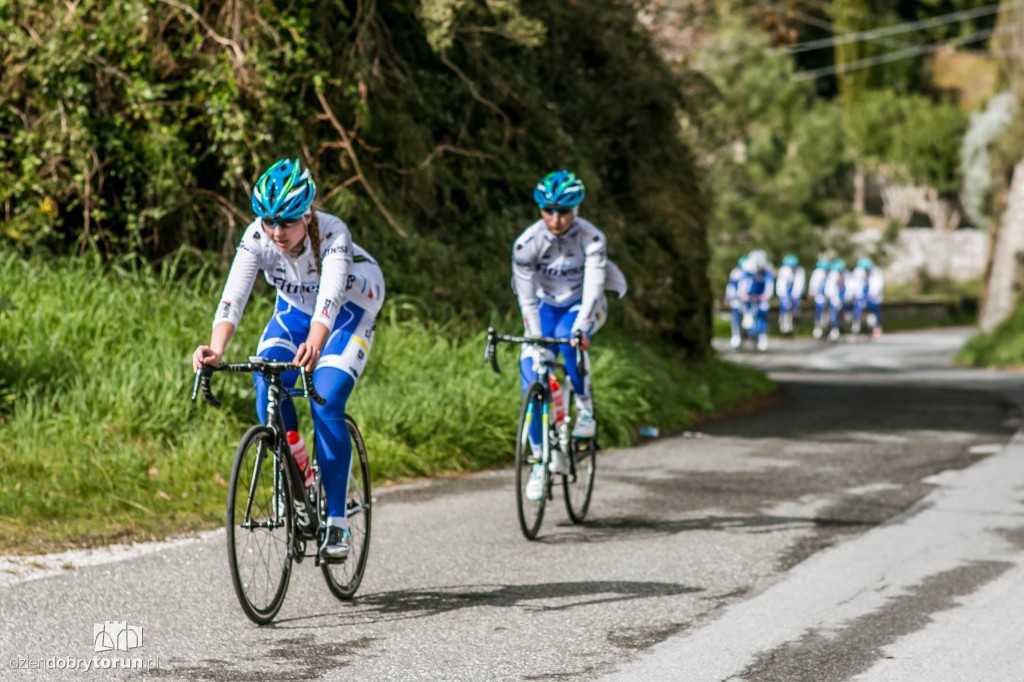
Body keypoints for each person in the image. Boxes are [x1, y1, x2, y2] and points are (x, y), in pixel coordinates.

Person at [192, 158, 385, 561]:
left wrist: (316, 341)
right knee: (267, 381)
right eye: (269, 221)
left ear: (307, 215)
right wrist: (216, 348)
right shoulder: (258, 236)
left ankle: (337, 521)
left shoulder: (332, 232)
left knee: (326, 400)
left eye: (287, 222)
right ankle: (298, 472)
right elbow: (233, 296)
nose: (276, 232)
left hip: (349, 310)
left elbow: (330, 295)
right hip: (295, 312)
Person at [511, 170, 627, 501]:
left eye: (563, 211)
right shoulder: (526, 243)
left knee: (569, 339)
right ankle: (539, 462)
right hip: (544, 306)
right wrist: (534, 340)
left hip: (581, 304)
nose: (556, 218)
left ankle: (584, 408)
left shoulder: (592, 238)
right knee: (530, 373)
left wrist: (582, 326)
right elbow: (526, 300)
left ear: (575, 209)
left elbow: (593, 288)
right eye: (548, 210)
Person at [737, 249, 774, 351]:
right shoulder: (747, 270)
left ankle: (762, 337)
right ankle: (743, 336)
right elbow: (743, 284)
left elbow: (769, 284)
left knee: (762, 313)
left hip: (761, 297)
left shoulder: (767, 271)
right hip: (749, 297)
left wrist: (767, 295)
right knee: (746, 315)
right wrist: (743, 294)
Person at [775, 254, 806, 335]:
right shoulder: (783, 271)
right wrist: (784, 296)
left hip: (795, 292)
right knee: (784, 305)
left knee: (795, 305)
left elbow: (799, 285)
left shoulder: (800, 271)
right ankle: (784, 322)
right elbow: (781, 286)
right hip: (786, 292)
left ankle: (794, 321)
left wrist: (795, 297)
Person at [726, 256, 747, 349]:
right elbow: (731, 286)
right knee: (736, 317)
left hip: (748, 300)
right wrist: (729, 297)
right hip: (737, 300)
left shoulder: (751, 273)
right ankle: (736, 335)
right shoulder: (735, 273)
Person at [824, 258, 847, 341]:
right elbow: (829, 290)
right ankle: (834, 329)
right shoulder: (832, 278)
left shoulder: (846, 276)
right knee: (833, 313)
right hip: (834, 299)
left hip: (844, 299)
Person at [807, 258, 830, 339]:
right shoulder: (817, 273)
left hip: (828, 296)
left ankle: (826, 327)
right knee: (819, 309)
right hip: (819, 296)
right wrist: (812, 292)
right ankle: (818, 327)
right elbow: (814, 285)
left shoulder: (830, 274)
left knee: (827, 311)